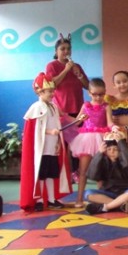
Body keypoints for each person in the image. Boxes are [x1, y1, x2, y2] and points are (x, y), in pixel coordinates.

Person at [20, 73, 72, 212]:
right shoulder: (36, 107)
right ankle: (39, 200)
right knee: (41, 174)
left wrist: (58, 142)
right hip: (41, 149)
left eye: (53, 91)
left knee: (51, 174)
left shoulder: (53, 107)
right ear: (40, 92)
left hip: (52, 148)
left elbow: (57, 125)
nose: (52, 94)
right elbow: (35, 129)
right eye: (49, 91)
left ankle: (51, 199)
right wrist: (50, 132)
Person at [45, 33, 89, 182]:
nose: (66, 51)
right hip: (61, 111)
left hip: (78, 110)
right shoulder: (52, 66)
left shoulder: (77, 66)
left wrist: (79, 75)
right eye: (62, 49)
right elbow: (52, 84)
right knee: (62, 143)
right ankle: (64, 172)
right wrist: (65, 70)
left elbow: (87, 86)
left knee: (78, 142)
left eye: (68, 49)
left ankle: (77, 171)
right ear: (56, 51)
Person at [85, 129, 128, 214]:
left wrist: (121, 142)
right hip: (110, 192)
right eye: (109, 149)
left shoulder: (125, 160)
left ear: (121, 150)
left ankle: (106, 207)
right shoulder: (103, 161)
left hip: (126, 192)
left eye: (115, 149)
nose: (112, 151)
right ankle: (120, 206)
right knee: (88, 193)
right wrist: (99, 153)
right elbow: (92, 175)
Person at [69, 78, 113, 208]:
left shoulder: (106, 106)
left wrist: (114, 128)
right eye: (95, 94)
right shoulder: (85, 106)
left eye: (101, 94)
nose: (98, 97)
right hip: (86, 140)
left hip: (101, 138)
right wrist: (67, 117)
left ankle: (101, 198)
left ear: (105, 92)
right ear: (89, 93)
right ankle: (79, 199)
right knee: (83, 171)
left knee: (101, 171)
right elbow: (77, 122)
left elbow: (109, 122)